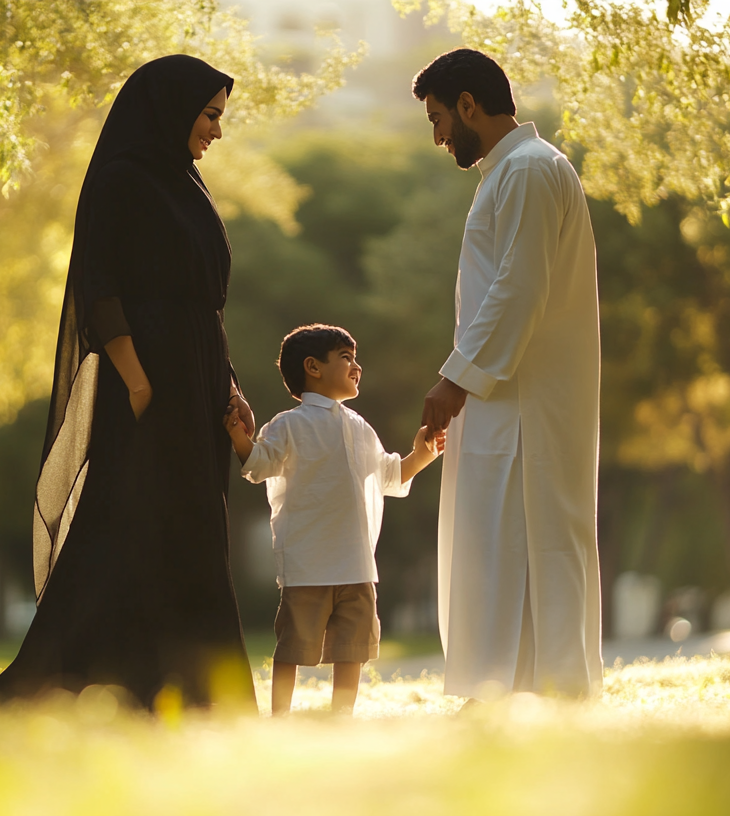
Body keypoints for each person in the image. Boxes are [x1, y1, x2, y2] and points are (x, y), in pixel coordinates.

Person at [0, 55, 258, 712]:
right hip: (149, 380)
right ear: (172, 108)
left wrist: (230, 383)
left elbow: (202, 302)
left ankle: (191, 685)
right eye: (211, 115)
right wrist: (136, 381)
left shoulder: (185, 182)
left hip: (196, 378)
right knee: (125, 524)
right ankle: (59, 680)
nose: (217, 131)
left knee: (189, 528)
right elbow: (100, 289)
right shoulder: (122, 180)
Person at [412, 49, 603, 700]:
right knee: (501, 541)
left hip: (525, 400)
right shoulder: (513, 170)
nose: (438, 136)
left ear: (469, 105)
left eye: (438, 118)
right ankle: (505, 691)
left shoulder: (526, 171)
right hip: (507, 393)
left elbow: (519, 288)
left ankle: (545, 692)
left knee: (529, 539)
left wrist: (456, 378)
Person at [225, 325, 444, 715]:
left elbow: (390, 476)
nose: (357, 367)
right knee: (294, 644)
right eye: (346, 358)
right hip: (308, 562)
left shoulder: (360, 427)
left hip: (357, 563)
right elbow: (258, 465)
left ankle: (341, 715)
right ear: (313, 367)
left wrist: (423, 453)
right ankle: (280, 716)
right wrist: (240, 438)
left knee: (352, 646)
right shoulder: (289, 424)